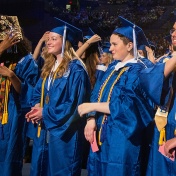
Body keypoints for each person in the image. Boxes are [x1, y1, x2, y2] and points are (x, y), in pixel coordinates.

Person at [78, 16, 156, 176]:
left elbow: (125, 106)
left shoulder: (139, 70)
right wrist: (91, 118)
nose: (110, 49)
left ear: (129, 45)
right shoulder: (114, 66)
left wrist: (90, 107)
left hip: (122, 136)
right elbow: (97, 91)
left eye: (114, 44)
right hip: (101, 131)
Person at [25, 23, 91, 176]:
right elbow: (37, 92)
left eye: (54, 39)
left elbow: (74, 104)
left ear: (65, 42)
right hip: (45, 129)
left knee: (61, 170)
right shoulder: (50, 66)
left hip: (64, 133)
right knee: (42, 167)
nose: (48, 42)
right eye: (48, 39)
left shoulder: (76, 70)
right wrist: (36, 107)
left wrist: (45, 112)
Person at [0, 15, 39, 176]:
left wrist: (11, 75)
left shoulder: (26, 61)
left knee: (8, 160)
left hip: (12, 117)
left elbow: (29, 93)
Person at [140, 21, 176, 176]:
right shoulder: (171, 60)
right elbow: (149, 83)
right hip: (163, 127)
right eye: (173, 30)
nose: (173, 35)